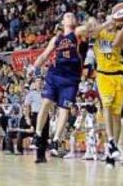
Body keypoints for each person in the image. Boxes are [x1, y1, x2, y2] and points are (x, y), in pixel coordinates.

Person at [32, 12, 88, 160]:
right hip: (55, 74)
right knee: (45, 103)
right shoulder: (56, 38)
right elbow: (43, 56)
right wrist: (35, 73)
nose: (71, 17)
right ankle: (37, 135)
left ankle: (56, 140)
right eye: (68, 16)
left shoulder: (78, 33)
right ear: (62, 21)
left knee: (64, 109)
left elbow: (90, 26)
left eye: (73, 16)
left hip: (71, 78)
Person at [87, 7, 123, 167]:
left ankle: (111, 150)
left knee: (116, 116)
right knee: (106, 105)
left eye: (115, 21)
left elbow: (115, 44)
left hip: (118, 77)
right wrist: (109, 20)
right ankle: (112, 141)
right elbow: (92, 32)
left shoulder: (120, 34)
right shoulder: (98, 33)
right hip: (103, 75)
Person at [24, 77, 50, 162]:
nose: (39, 83)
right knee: (38, 135)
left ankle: (43, 156)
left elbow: (50, 103)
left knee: (45, 135)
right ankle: (38, 156)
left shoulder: (46, 92)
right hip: (36, 114)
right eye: (37, 82)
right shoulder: (31, 94)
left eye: (41, 82)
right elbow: (27, 106)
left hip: (45, 114)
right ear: (34, 83)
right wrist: (27, 117)